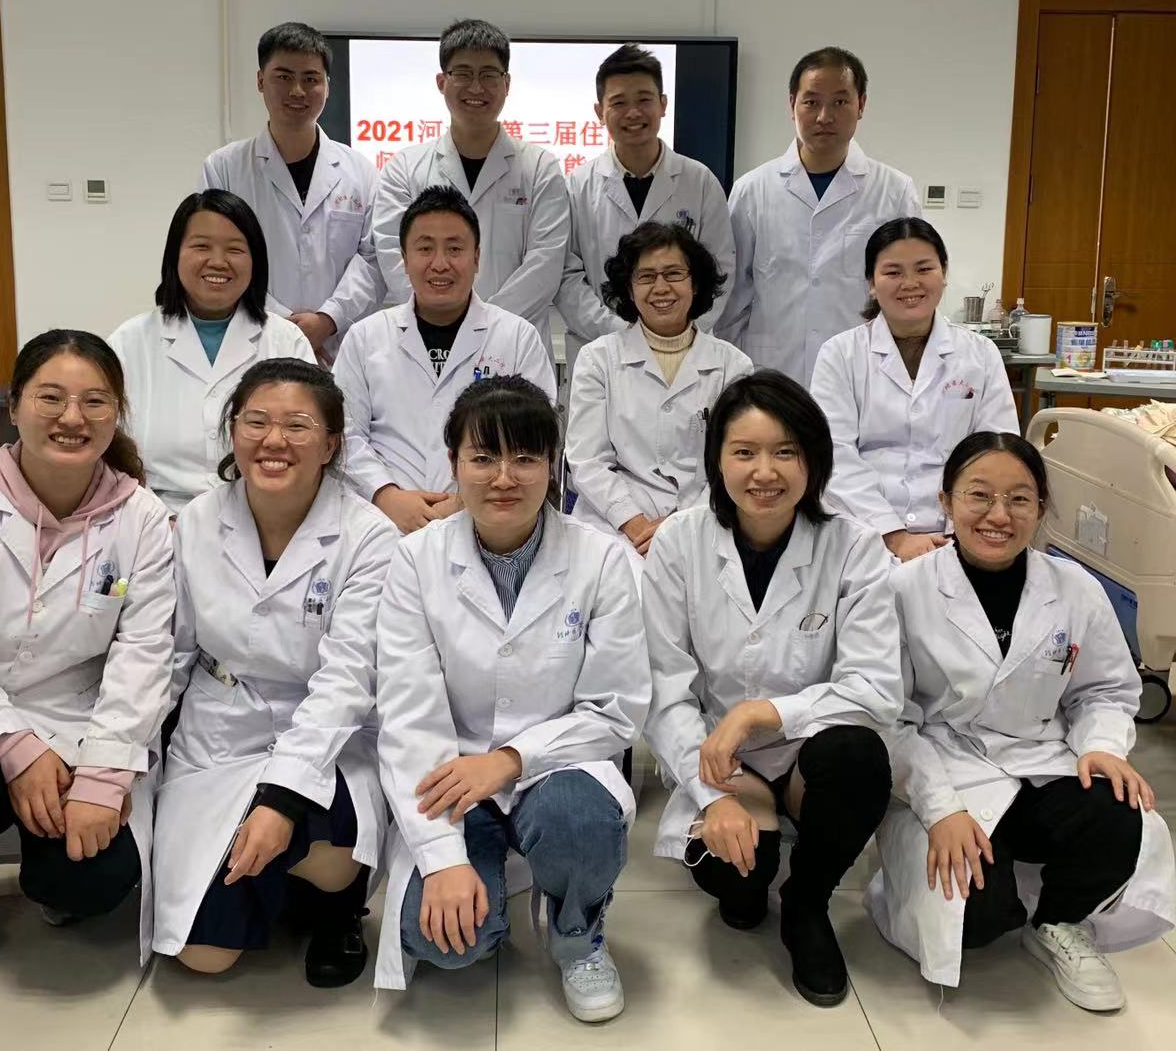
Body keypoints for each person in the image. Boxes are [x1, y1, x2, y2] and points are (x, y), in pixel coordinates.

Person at [0, 330, 174, 1039]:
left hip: (75, 718)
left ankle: (49, 871)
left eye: (94, 401)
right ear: (14, 405)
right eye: (51, 397)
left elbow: (144, 654)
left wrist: (102, 780)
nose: (72, 417)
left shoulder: (141, 518)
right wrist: (14, 744)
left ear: (117, 413)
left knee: (95, 880)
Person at [374, 376, 650, 1019]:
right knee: (446, 943)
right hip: (449, 775)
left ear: (553, 465)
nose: (504, 477)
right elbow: (409, 712)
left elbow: (615, 709)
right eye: (484, 457)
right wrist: (442, 861)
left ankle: (576, 931)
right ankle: (487, 882)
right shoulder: (415, 560)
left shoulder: (602, 560)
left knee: (580, 822)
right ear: (453, 464)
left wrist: (510, 760)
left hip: (558, 769)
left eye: (526, 457)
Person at [868, 432, 1175, 1009]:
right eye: (979, 495)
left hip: (1042, 759)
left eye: (1019, 499)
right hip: (947, 769)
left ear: (1041, 507)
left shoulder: (1074, 587)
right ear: (946, 500)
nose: (999, 515)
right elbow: (889, 719)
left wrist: (1101, 746)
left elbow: (1105, 689)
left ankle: (1059, 920)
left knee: (1120, 810)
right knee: (977, 919)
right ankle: (927, 886)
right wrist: (941, 809)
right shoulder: (904, 589)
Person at [642, 371, 901, 1007]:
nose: (765, 472)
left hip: (812, 752)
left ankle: (807, 900)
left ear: (814, 460)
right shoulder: (679, 542)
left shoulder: (854, 548)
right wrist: (711, 794)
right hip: (719, 757)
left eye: (786, 451)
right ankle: (757, 867)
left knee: (860, 758)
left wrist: (766, 712)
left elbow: (875, 688)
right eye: (745, 452)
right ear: (717, 460)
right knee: (737, 889)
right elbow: (664, 690)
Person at [152, 359, 397, 988]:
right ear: (233, 432)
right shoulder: (197, 521)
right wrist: (126, 756)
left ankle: (336, 907)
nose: (274, 441)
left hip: (325, 732)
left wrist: (281, 800)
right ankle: (280, 885)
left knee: (330, 850)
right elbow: (171, 652)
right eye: (256, 421)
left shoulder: (368, 536)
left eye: (298, 426)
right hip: (219, 730)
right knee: (203, 956)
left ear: (331, 443)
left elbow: (348, 679)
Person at [333, 186, 555, 536]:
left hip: (489, 518)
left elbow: (537, 436)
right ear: (404, 259)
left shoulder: (517, 337)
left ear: (477, 258)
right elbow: (344, 431)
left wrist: (466, 500)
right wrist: (386, 495)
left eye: (454, 249)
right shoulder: (365, 337)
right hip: (382, 521)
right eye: (425, 249)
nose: (440, 264)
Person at [811, 218, 1018, 562]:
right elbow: (834, 455)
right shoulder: (840, 354)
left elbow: (998, 452)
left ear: (944, 273)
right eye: (893, 272)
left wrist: (960, 532)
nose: (910, 283)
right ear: (871, 283)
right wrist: (893, 535)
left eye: (924, 269)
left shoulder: (980, 354)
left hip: (961, 532)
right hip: (862, 533)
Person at [716, 47, 920, 385]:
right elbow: (732, 298)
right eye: (811, 102)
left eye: (840, 102)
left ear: (861, 105)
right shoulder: (752, 190)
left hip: (861, 376)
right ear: (791, 105)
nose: (825, 116)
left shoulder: (894, 191)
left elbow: (907, 295)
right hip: (771, 374)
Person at [109, 189, 314, 514]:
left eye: (235, 249)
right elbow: (108, 450)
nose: (218, 262)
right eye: (201, 246)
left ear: (255, 261)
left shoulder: (286, 341)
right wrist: (154, 523)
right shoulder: (130, 342)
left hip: (265, 515)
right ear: (175, 255)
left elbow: (312, 441)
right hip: (155, 518)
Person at [372, 18, 570, 354]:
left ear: (507, 83)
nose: (476, 88)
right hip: (428, 342)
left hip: (514, 345)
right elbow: (395, 255)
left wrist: (484, 326)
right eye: (463, 74)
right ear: (441, 82)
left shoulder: (541, 168)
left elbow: (545, 264)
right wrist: (445, 319)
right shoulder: (404, 169)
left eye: (489, 75)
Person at [565, 221, 752, 561]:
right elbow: (587, 461)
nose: (661, 287)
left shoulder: (733, 366)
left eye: (674, 274)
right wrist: (634, 524)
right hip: (613, 524)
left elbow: (736, 461)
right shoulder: (598, 359)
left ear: (695, 283)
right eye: (646, 277)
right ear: (629, 288)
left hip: (704, 516)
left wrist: (680, 524)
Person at [200, 22, 384, 363]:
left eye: (311, 78)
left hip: (338, 348)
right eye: (283, 77)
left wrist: (327, 319)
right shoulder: (224, 168)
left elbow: (373, 259)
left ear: (327, 85)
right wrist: (285, 326)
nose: (297, 90)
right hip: (254, 341)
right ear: (260, 81)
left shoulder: (360, 171)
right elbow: (219, 258)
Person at [555, 44, 734, 377]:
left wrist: (677, 328)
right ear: (599, 111)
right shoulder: (577, 186)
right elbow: (566, 276)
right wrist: (622, 332)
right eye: (619, 103)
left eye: (644, 100)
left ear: (663, 104)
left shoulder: (700, 182)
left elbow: (720, 268)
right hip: (600, 352)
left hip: (685, 352)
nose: (633, 113)